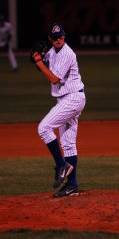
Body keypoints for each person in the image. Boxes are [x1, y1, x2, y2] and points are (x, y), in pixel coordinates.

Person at [31, 22, 86, 198]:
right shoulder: (53, 52)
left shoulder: (67, 53)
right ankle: (72, 186)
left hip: (72, 98)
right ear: (50, 38)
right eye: (55, 37)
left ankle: (62, 165)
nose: (58, 39)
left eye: (61, 36)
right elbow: (42, 63)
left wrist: (39, 63)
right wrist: (38, 58)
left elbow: (54, 79)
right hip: (69, 98)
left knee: (44, 128)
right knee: (68, 144)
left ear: (65, 35)